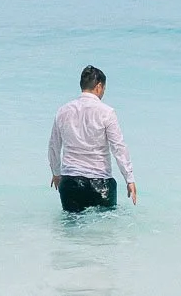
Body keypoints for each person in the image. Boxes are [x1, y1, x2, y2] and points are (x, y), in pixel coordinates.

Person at [48, 65, 136, 212]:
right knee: (104, 231)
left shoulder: (63, 111)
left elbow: (54, 146)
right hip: (101, 183)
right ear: (99, 86)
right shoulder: (107, 112)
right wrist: (129, 178)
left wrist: (56, 173)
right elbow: (118, 147)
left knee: (71, 230)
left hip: (70, 182)